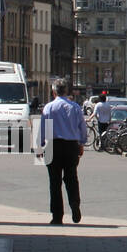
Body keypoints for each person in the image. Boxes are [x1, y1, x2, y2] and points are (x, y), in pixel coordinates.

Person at [36, 81, 87, 225]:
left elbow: (43, 128)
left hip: (53, 145)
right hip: (71, 145)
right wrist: (81, 143)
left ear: (53, 92)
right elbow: (82, 127)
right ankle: (75, 205)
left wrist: (39, 147)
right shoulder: (75, 107)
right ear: (66, 91)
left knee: (55, 182)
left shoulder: (49, 107)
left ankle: (57, 216)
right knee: (72, 178)